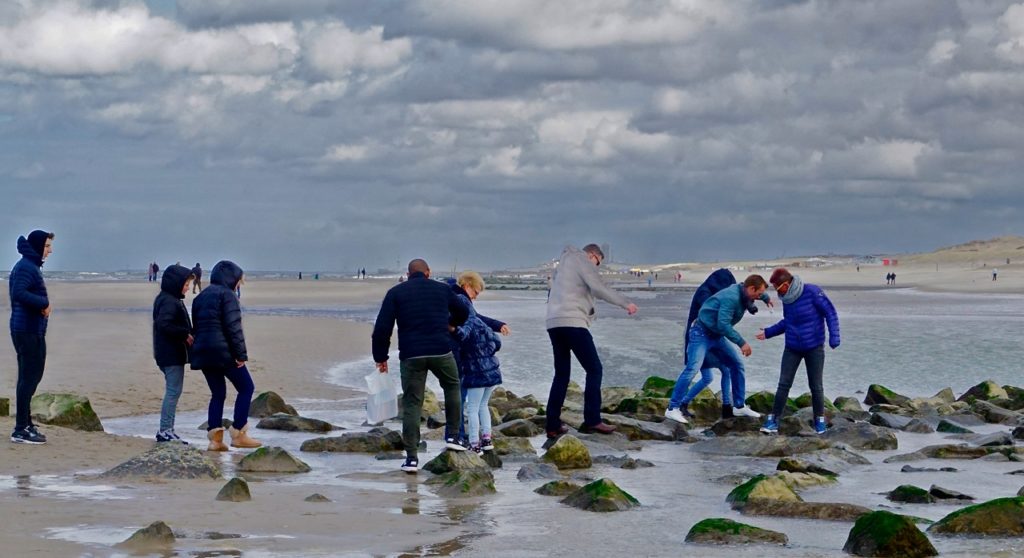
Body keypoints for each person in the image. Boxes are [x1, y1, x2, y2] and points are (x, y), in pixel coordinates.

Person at [372, 259, 470, 474]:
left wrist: (381, 356)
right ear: (428, 273)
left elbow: (382, 327)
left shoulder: (396, 293)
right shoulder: (443, 290)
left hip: (412, 354)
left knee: (412, 403)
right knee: (452, 387)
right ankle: (453, 436)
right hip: (441, 350)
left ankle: (411, 458)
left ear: (408, 274)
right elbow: (463, 311)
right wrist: (451, 323)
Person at [545, 244, 637, 438]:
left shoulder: (561, 266)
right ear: (593, 255)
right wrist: (625, 303)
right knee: (595, 369)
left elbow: (554, 291)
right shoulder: (581, 260)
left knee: (561, 374)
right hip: (573, 323)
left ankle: (552, 424)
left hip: (553, 323)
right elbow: (598, 287)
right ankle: (592, 420)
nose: (596, 267)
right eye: (598, 263)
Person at [666, 274, 771, 421]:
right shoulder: (731, 298)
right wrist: (742, 343)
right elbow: (723, 325)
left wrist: (766, 298)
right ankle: (673, 408)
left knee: (737, 365)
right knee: (692, 368)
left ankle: (739, 406)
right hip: (701, 333)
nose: (758, 297)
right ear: (751, 288)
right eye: (758, 294)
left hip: (716, 336)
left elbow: (757, 292)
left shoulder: (744, 289)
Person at [757, 268, 840, 435]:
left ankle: (820, 422)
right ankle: (773, 420)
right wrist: (768, 332)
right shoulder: (787, 299)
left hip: (814, 347)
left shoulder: (812, 292)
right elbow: (787, 322)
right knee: (783, 384)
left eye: (777, 288)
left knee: (816, 386)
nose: (776, 292)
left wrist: (834, 337)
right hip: (792, 347)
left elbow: (830, 313)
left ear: (786, 284)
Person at [191, 260, 261, 451]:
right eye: (239, 280)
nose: (239, 284)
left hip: (203, 352)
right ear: (231, 279)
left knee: (218, 394)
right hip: (224, 353)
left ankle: (215, 440)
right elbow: (233, 328)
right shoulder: (228, 296)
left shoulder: (200, 298)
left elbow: (196, 328)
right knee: (246, 387)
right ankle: (239, 433)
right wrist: (240, 355)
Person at [446, 274, 509, 445]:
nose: (476, 295)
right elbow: (472, 322)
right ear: (466, 285)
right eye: (476, 291)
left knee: (466, 398)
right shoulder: (460, 299)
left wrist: (497, 325)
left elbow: (474, 319)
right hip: (458, 353)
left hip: (461, 353)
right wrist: (494, 333)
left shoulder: (458, 298)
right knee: (463, 398)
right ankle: (462, 437)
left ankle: (462, 436)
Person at [8, 230, 54, 444]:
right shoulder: (26, 266)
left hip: (32, 329)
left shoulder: (31, 265)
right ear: (37, 246)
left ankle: (25, 423)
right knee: (28, 377)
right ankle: (20, 429)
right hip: (25, 330)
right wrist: (43, 304)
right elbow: (19, 293)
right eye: (46, 246)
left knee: (33, 376)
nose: (50, 250)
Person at [152, 264, 195, 443]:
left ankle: (169, 428)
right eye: (185, 284)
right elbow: (164, 324)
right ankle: (165, 430)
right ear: (175, 283)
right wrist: (185, 334)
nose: (187, 287)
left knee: (173, 391)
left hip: (169, 353)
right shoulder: (169, 300)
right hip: (170, 354)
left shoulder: (171, 299)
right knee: (173, 392)